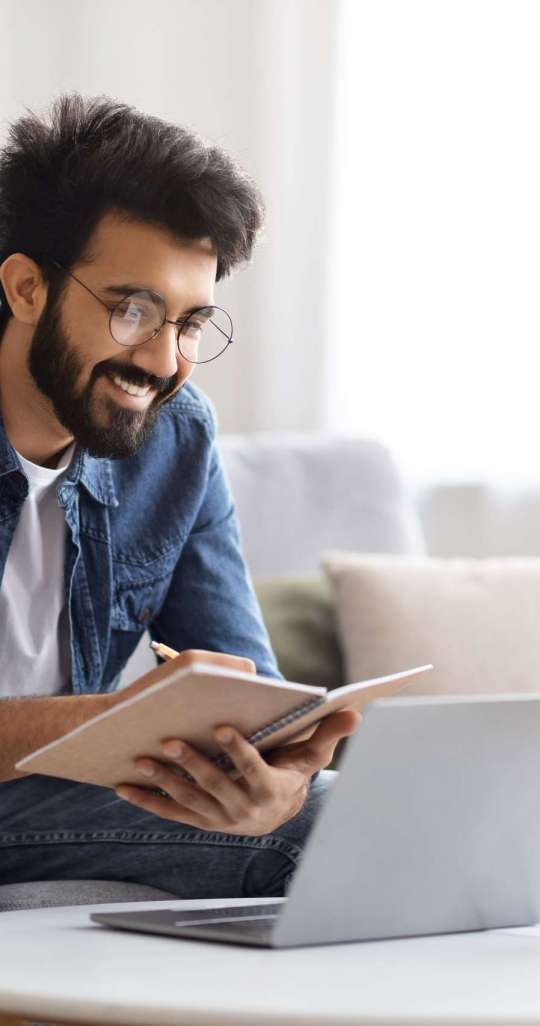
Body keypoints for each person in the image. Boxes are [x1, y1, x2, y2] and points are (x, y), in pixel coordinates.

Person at [0, 94, 359, 898]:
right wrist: (111, 721)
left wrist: (275, 785)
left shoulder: (175, 437)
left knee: (360, 824)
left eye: (190, 323)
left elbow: (258, 702)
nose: (164, 362)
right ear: (26, 288)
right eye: (133, 310)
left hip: (44, 804)